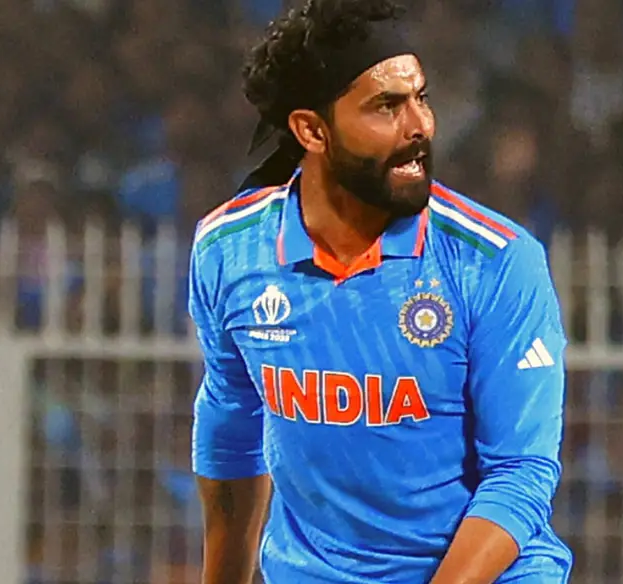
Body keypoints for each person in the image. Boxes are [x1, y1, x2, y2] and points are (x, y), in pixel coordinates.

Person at [188, 1, 571, 582]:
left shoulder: (493, 260)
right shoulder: (230, 250)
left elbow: (521, 475)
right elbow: (232, 431)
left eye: (421, 97)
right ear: (312, 130)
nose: (420, 125)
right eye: (387, 106)